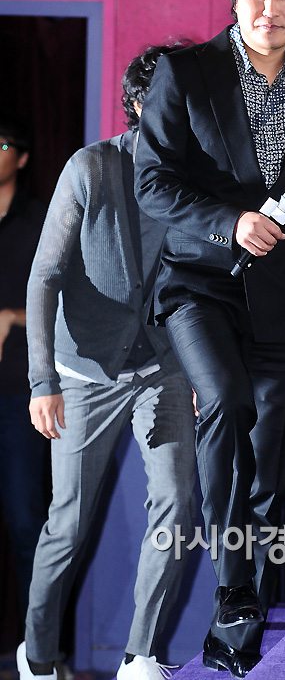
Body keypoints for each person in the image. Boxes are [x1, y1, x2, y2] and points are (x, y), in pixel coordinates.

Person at [135, 0, 285, 678]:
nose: (272, 6)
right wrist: (228, 221)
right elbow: (152, 182)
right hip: (197, 283)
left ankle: (239, 619)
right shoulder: (184, 72)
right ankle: (232, 586)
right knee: (227, 401)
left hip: (282, 290)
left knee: (269, 465)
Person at [17, 44, 197, 680]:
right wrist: (42, 380)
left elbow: (207, 284)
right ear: (140, 103)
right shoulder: (91, 166)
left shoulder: (199, 179)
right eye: (171, 97)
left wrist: (200, 370)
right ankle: (39, 657)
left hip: (163, 369)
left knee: (176, 503)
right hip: (83, 373)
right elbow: (44, 276)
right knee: (67, 524)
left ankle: (139, 655)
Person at [0, 116, 48, 631]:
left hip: (19, 389)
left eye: (2, 145)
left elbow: (64, 296)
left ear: (22, 157)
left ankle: (40, 651)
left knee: (25, 521)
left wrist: (11, 316)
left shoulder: (39, 220)